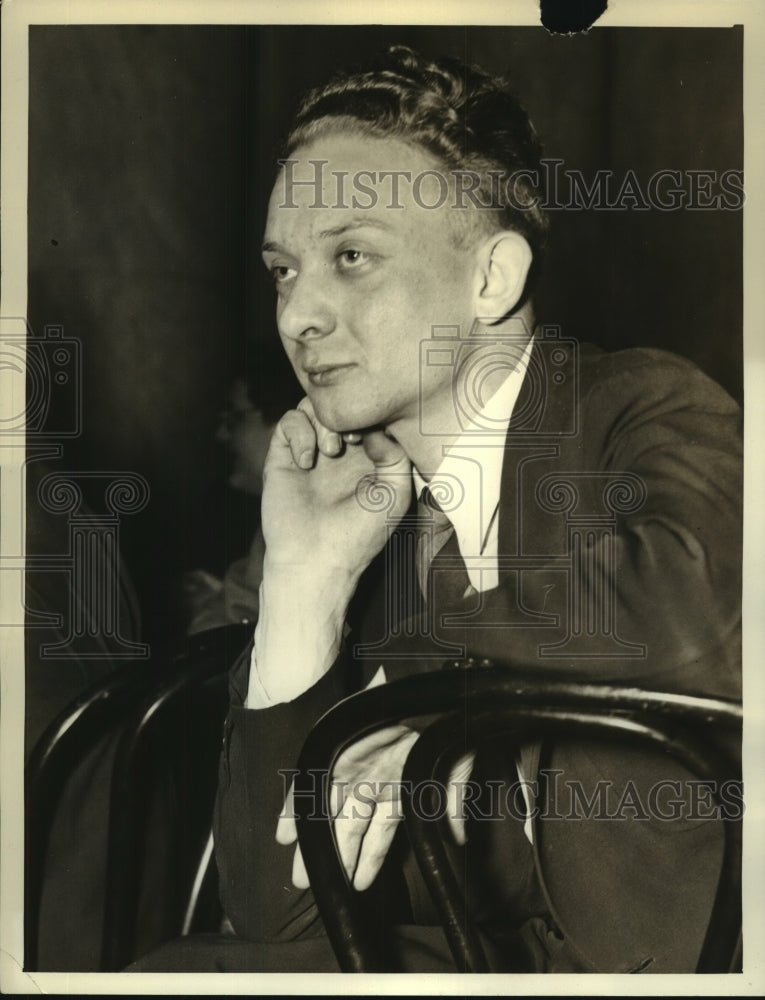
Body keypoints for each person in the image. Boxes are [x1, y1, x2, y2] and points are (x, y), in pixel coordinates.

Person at [132, 45, 742, 974]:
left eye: (350, 257)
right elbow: (274, 915)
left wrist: (457, 707)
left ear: (491, 279)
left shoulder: (637, 406)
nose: (297, 315)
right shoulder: (383, 526)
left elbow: (702, 617)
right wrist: (306, 579)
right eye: (284, 271)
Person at [182, 343, 303, 634]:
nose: (222, 434)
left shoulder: (302, 519)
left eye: (235, 417)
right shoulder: (264, 518)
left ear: (285, 423)